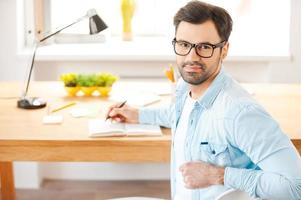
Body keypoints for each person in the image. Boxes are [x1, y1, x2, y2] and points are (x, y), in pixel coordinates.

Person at [106, 1, 301, 199]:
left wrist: (219, 175)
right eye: (184, 44)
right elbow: (182, 115)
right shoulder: (185, 87)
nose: (192, 57)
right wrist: (138, 114)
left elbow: (296, 186)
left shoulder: (240, 112)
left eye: (204, 47)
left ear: (224, 50)